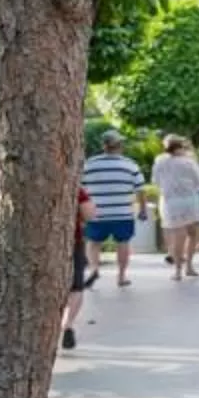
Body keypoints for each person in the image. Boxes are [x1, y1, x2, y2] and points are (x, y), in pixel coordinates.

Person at [79, 129, 145, 287]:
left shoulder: (89, 164)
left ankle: (94, 269)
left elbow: (80, 188)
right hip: (122, 213)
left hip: (96, 213)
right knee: (123, 243)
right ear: (120, 145)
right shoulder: (130, 165)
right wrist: (142, 209)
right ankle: (121, 276)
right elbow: (140, 189)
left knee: (93, 242)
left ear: (103, 145)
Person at [152, 134, 199, 280]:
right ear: (180, 147)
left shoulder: (160, 161)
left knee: (177, 236)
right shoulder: (189, 162)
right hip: (189, 200)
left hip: (170, 202)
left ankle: (177, 271)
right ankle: (189, 266)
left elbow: (155, 181)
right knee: (192, 234)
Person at [63, 185, 92, 350]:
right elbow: (89, 214)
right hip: (72, 242)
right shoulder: (74, 188)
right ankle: (67, 324)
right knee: (76, 287)